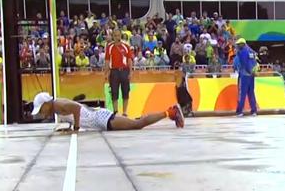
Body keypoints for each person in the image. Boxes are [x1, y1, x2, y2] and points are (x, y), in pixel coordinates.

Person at [30, 92, 184, 131]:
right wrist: (70, 127)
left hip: (100, 119)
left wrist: (75, 129)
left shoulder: (58, 105)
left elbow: (76, 109)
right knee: (135, 122)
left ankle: (170, 112)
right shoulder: (57, 106)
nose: (41, 112)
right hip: (99, 120)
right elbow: (74, 110)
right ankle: (169, 113)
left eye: (41, 109)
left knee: (137, 124)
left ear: (46, 103)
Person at [105, 29, 134, 117]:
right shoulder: (109, 47)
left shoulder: (126, 46)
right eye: (115, 35)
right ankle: (115, 111)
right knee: (114, 92)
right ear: (113, 36)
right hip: (114, 71)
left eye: (118, 35)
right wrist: (106, 73)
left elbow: (129, 60)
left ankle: (125, 112)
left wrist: (131, 72)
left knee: (125, 91)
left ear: (120, 36)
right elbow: (107, 61)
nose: (117, 37)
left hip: (124, 71)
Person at [235, 38, 258, 117]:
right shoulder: (252, 51)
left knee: (242, 94)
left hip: (244, 75)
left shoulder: (242, 52)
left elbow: (244, 63)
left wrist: (248, 71)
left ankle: (239, 111)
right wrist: (254, 72)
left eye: (238, 44)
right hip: (251, 76)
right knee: (251, 93)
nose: (237, 46)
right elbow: (255, 62)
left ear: (243, 44)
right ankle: (254, 111)